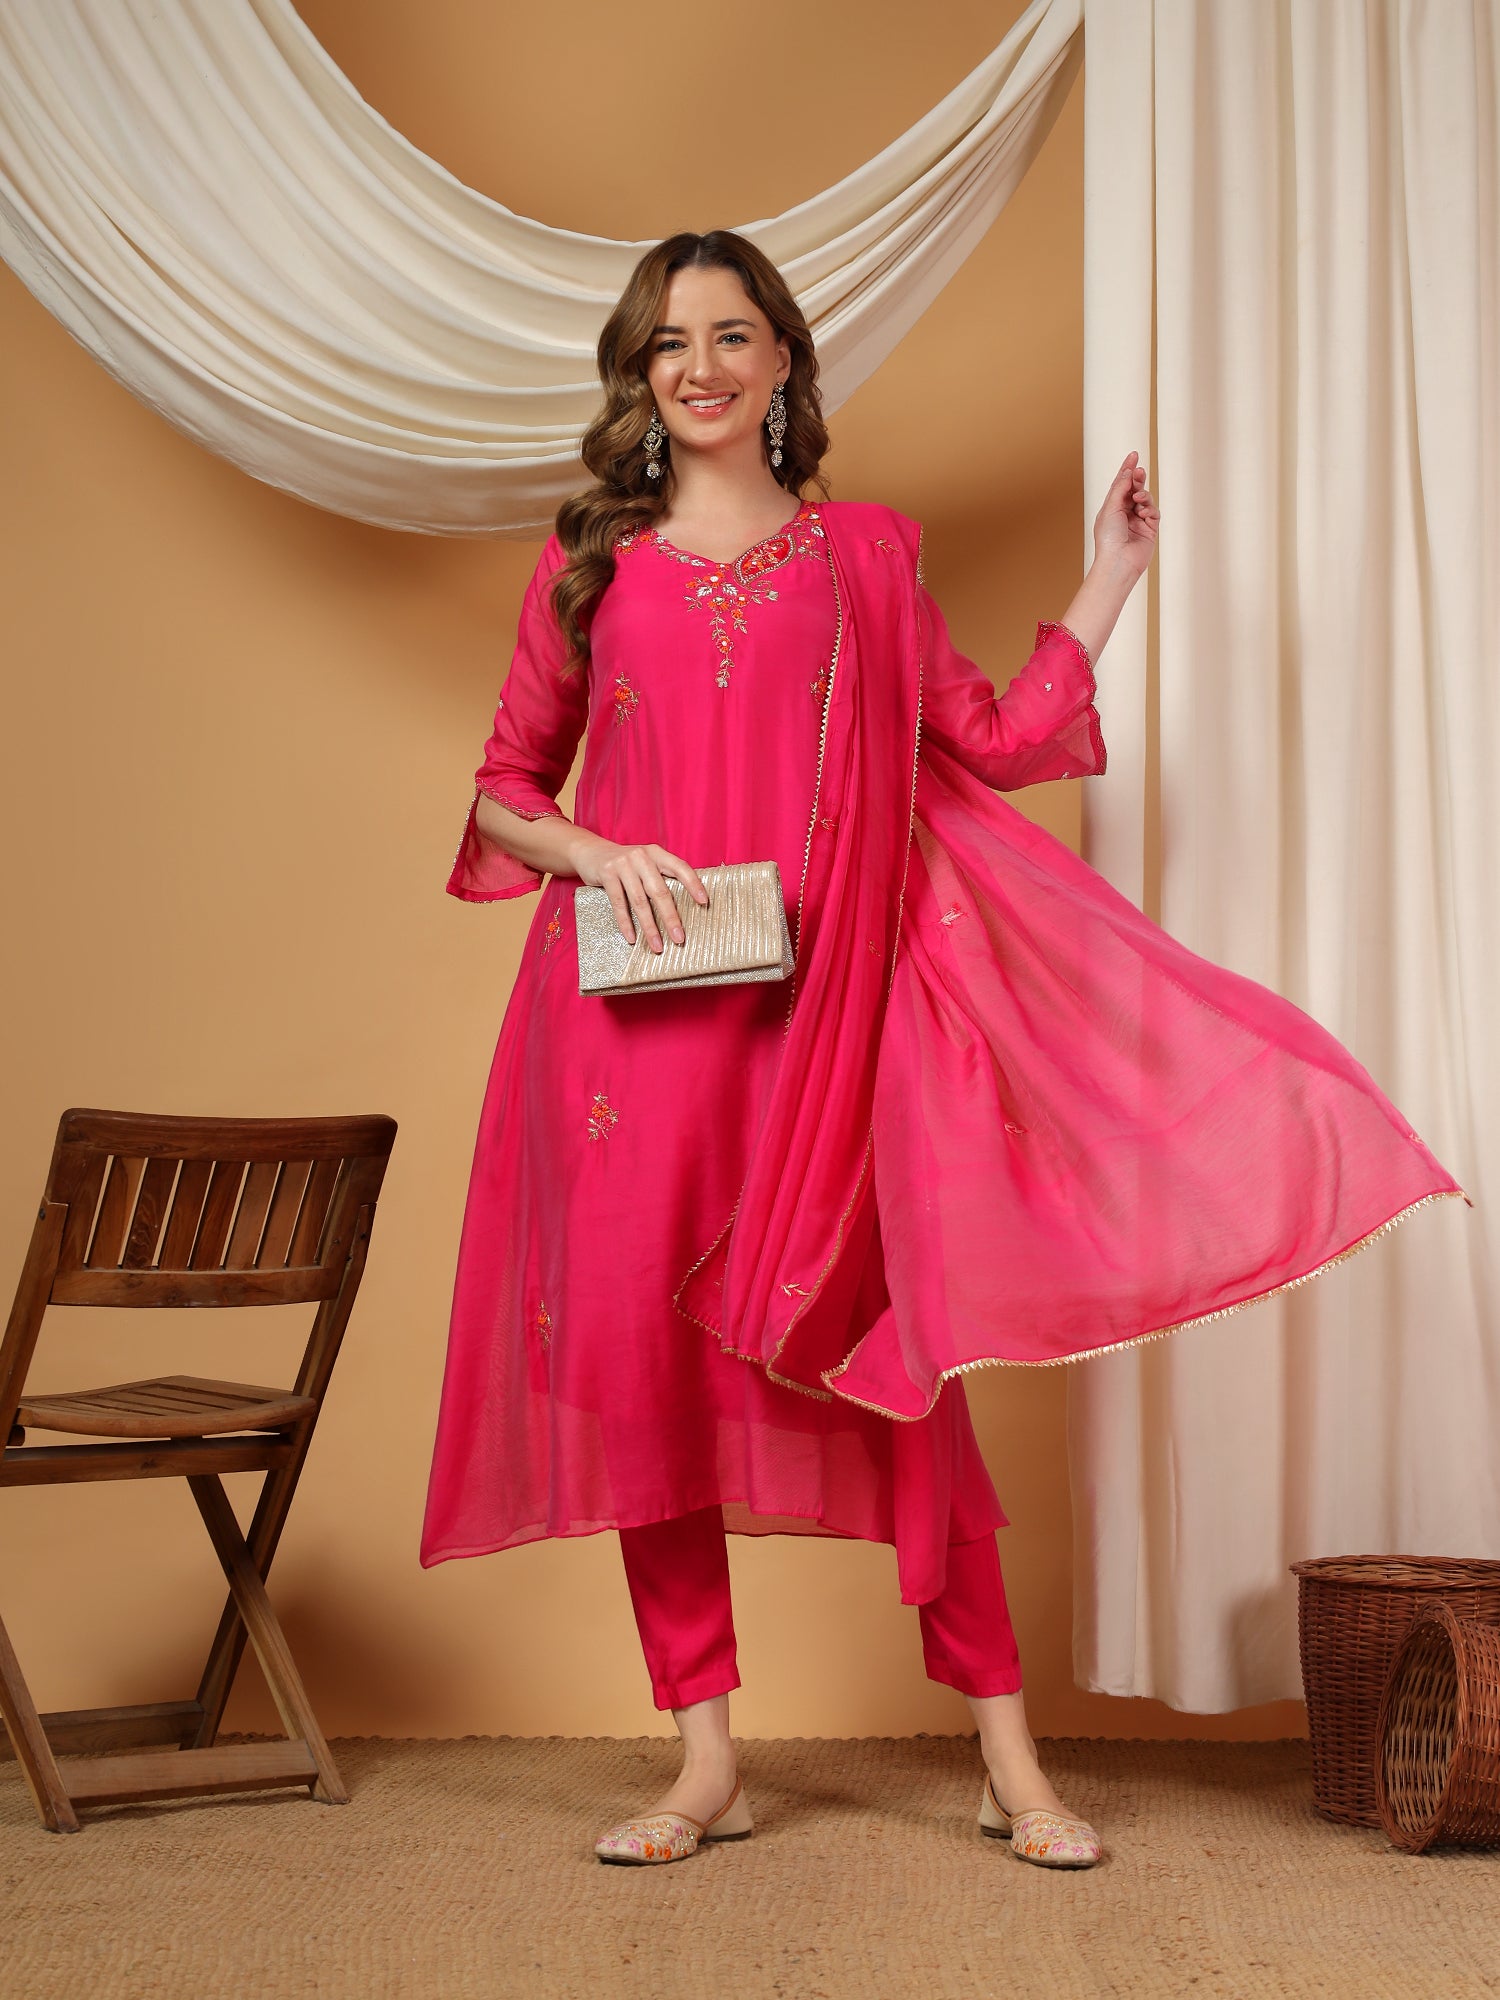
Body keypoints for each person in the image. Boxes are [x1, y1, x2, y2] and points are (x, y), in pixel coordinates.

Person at [420, 231, 1462, 1871]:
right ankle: (706, 1763)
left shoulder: (863, 559)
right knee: (647, 1389)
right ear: (640, 372)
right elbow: (501, 789)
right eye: (669, 342)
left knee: (897, 1374)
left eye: (731, 335)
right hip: (626, 1040)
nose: (699, 367)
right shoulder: (591, 561)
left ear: (783, 361)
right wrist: (595, 853)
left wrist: (1110, 580)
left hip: (820, 1029)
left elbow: (992, 737)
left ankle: (1010, 1762)